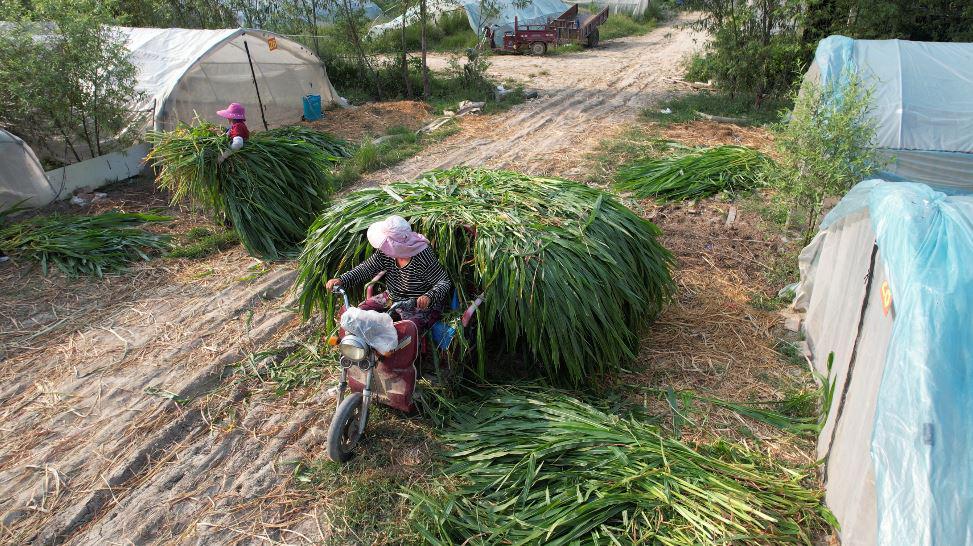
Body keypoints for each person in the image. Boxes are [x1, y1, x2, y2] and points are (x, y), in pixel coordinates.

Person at [326, 216, 452, 335]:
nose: (384, 245)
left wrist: (428, 296)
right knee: (359, 314)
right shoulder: (386, 252)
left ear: (396, 244)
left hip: (416, 305)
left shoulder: (422, 255)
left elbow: (444, 282)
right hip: (391, 297)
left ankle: (409, 356)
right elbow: (367, 268)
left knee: (406, 331)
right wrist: (342, 280)